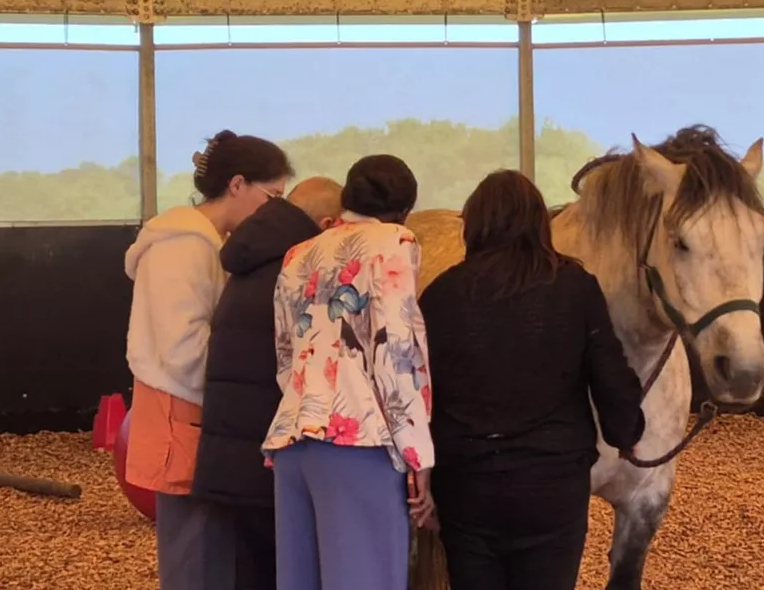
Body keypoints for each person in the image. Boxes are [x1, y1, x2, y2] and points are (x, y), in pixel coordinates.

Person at [417, 169, 647, 590]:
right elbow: (610, 373)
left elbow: (421, 393)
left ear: (473, 225)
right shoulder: (575, 287)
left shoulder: (440, 294)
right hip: (552, 484)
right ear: (539, 223)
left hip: (466, 485)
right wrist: (626, 433)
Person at [123, 129, 293, 590]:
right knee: (196, 555)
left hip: (198, 414)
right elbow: (182, 349)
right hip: (185, 414)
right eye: (272, 197)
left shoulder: (207, 243)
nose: (274, 211)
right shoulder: (183, 246)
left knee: (213, 549)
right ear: (237, 185)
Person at [262, 154, 434, 590]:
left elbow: (285, 353)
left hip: (293, 440)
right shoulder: (395, 241)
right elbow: (395, 351)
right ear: (405, 209)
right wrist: (418, 453)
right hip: (359, 441)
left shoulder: (299, 252)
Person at [191, 176, 345, 590]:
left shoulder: (250, 257)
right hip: (267, 456)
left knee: (250, 570)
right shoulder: (300, 270)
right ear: (328, 224)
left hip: (228, 456)